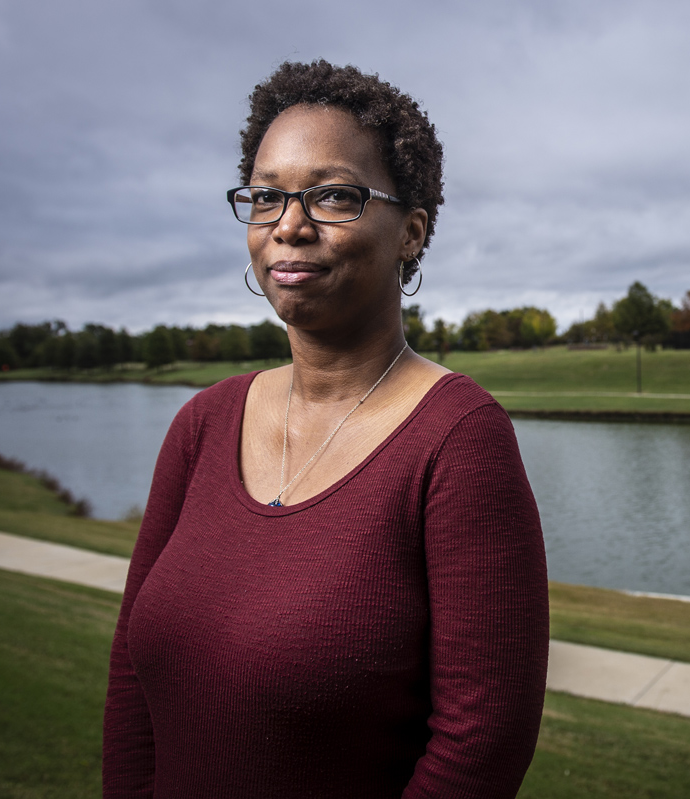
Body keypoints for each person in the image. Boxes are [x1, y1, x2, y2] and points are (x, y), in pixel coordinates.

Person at [103, 60, 549, 798]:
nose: (290, 225)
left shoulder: (459, 439)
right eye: (266, 196)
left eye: (334, 195)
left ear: (411, 231)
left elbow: (482, 743)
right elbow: (131, 676)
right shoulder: (199, 426)